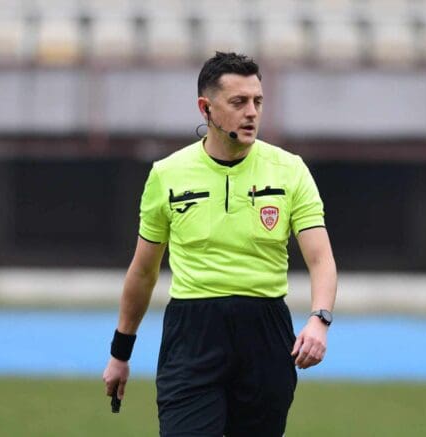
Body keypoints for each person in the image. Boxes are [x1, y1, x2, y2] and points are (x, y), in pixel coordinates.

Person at [103, 51, 337, 436]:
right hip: (192, 333)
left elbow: (321, 259)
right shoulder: (167, 174)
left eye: (258, 101)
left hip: (266, 332)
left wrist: (319, 319)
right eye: (238, 102)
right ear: (206, 108)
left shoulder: (290, 170)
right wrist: (120, 353)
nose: (251, 113)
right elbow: (143, 271)